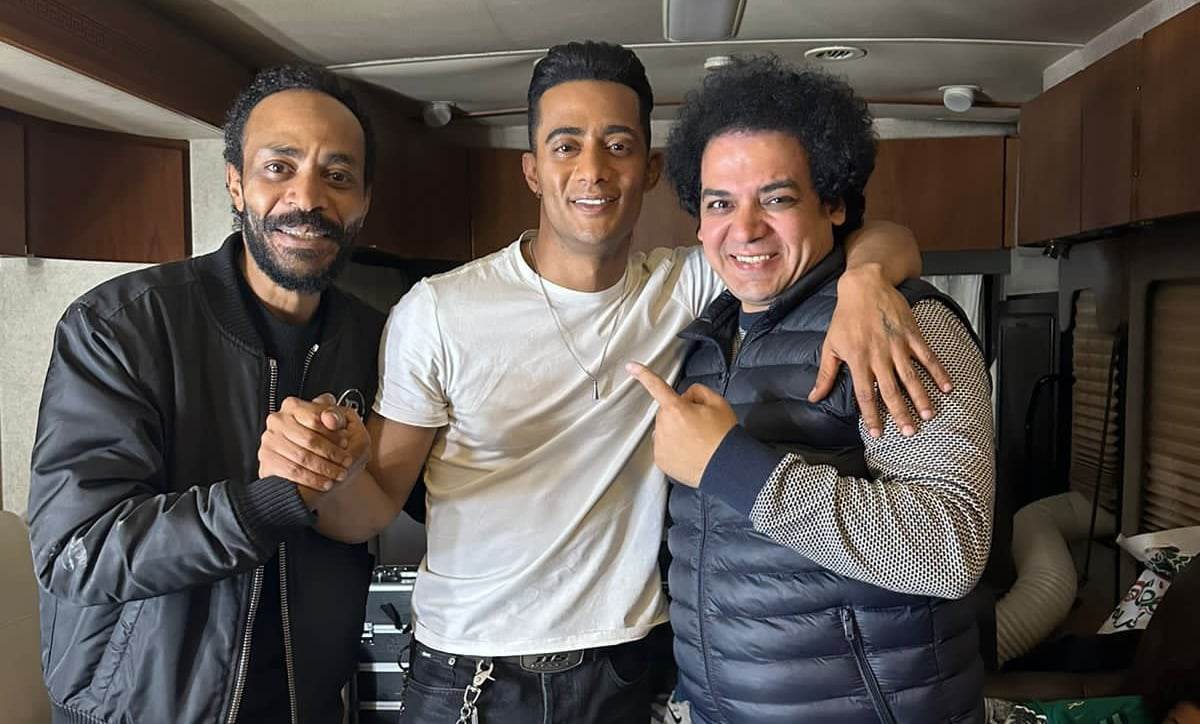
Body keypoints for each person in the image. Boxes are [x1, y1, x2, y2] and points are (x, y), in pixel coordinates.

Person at [306, 41, 951, 723]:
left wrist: (866, 279)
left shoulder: (690, 283)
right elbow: (372, 509)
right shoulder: (438, 311)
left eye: (617, 145)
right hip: (472, 672)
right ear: (532, 170)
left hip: (624, 669)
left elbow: (865, 231)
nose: (592, 169)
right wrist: (333, 470)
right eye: (565, 146)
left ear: (649, 169)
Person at [628, 55, 995, 723]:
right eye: (720, 203)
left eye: (777, 198)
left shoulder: (899, 326)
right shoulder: (706, 341)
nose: (745, 229)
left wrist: (730, 465)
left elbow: (949, 546)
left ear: (834, 203)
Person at [27, 64, 382, 724]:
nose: (307, 197)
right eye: (279, 167)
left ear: (363, 200)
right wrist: (269, 501)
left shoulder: (378, 339)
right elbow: (77, 552)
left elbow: (420, 495)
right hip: (137, 712)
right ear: (236, 183)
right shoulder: (120, 326)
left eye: (337, 176)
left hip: (306, 708)